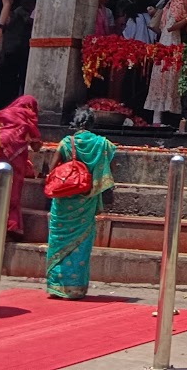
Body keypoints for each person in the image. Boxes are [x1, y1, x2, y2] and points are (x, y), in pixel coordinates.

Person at [44, 107, 118, 300]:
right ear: (93, 124)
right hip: (87, 201)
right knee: (81, 244)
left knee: (58, 241)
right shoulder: (103, 144)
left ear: (75, 124)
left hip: (63, 202)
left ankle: (56, 286)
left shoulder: (66, 143)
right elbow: (109, 171)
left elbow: (52, 171)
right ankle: (76, 288)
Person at [144, 0, 187, 128]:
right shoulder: (178, 3)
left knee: (161, 79)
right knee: (167, 78)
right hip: (171, 43)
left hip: (164, 43)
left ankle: (157, 119)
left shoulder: (169, 3)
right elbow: (171, 26)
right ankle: (161, 120)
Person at [0, 94, 41, 237]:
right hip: (15, 160)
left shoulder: (3, 113)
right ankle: (11, 226)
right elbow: (37, 146)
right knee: (13, 191)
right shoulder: (29, 115)